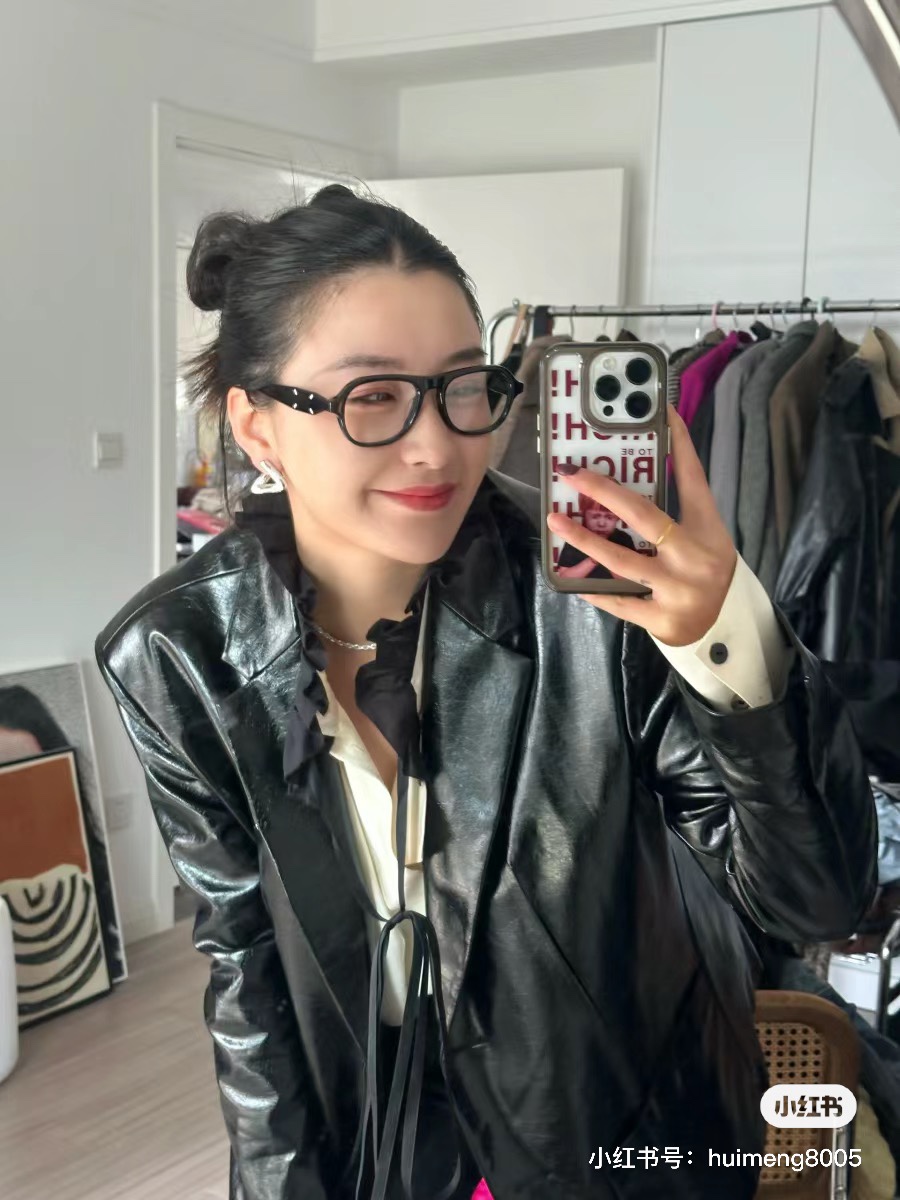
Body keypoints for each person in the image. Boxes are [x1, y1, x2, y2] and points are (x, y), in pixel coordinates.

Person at [95, 185, 876, 1200]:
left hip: (622, 1137)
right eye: (372, 396)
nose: (438, 444)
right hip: (382, 1147)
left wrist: (730, 638)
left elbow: (818, 899)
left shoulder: (599, 604)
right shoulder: (179, 653)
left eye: (464, 386)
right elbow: (249, 975)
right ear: (258, 426)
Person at [557, 494, 638, 580]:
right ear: (584, 515)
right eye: (595, 516)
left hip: (614, 588)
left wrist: (605, 551)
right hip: (583, 588)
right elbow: (564, 577)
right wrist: (593, 559)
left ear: (618, 518)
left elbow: (631, 579)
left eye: (609, 517)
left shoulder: (624, 539)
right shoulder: (576, 536)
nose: (602, 523)